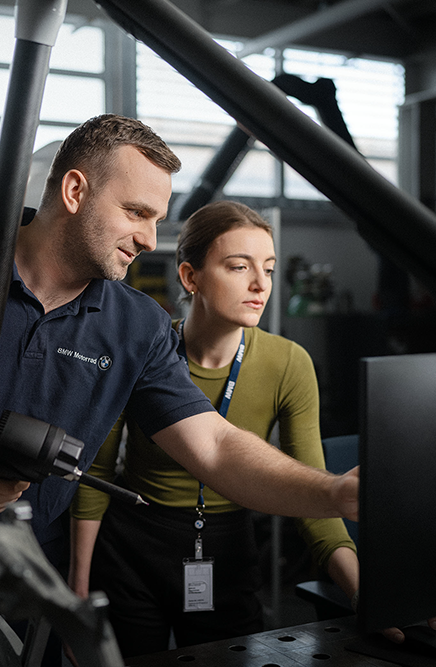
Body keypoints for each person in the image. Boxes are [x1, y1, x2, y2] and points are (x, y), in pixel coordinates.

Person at [0, 114, 359, 666]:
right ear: (73, 189)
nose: (148, 238)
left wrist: (333, 493)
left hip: (15, 599)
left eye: (158, 219)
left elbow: (215, 447)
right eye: (136, 212)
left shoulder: (138, 326)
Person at [69, 201, 360, 657]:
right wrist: (78, 589)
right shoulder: (145, 346)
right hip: (133, 547)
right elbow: (97, 474)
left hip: (228, 549)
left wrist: (368, 595)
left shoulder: (288, 363)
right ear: (190, 277)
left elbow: (314, 500)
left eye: (268, 268)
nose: (261, 284)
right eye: (239, 266)